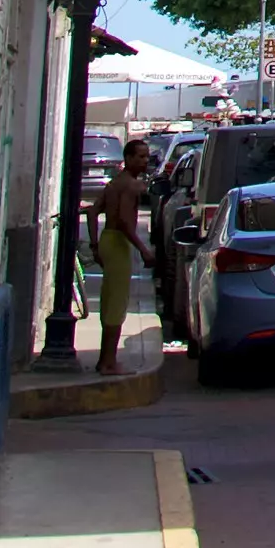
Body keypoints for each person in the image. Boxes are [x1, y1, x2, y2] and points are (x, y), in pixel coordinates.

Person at [89, 139, 156, 376]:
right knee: (117, 304)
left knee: (109, 301)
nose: (145, 161)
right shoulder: (130, 186)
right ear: (127, 159)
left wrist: (95, 246)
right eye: (140, 156)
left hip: (107, 239)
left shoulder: (114, 184)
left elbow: (93, 211)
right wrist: (143, 250)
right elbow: (126, 223)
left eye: (147, 156)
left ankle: (103, 360)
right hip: (118, 242)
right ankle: (109, 362)